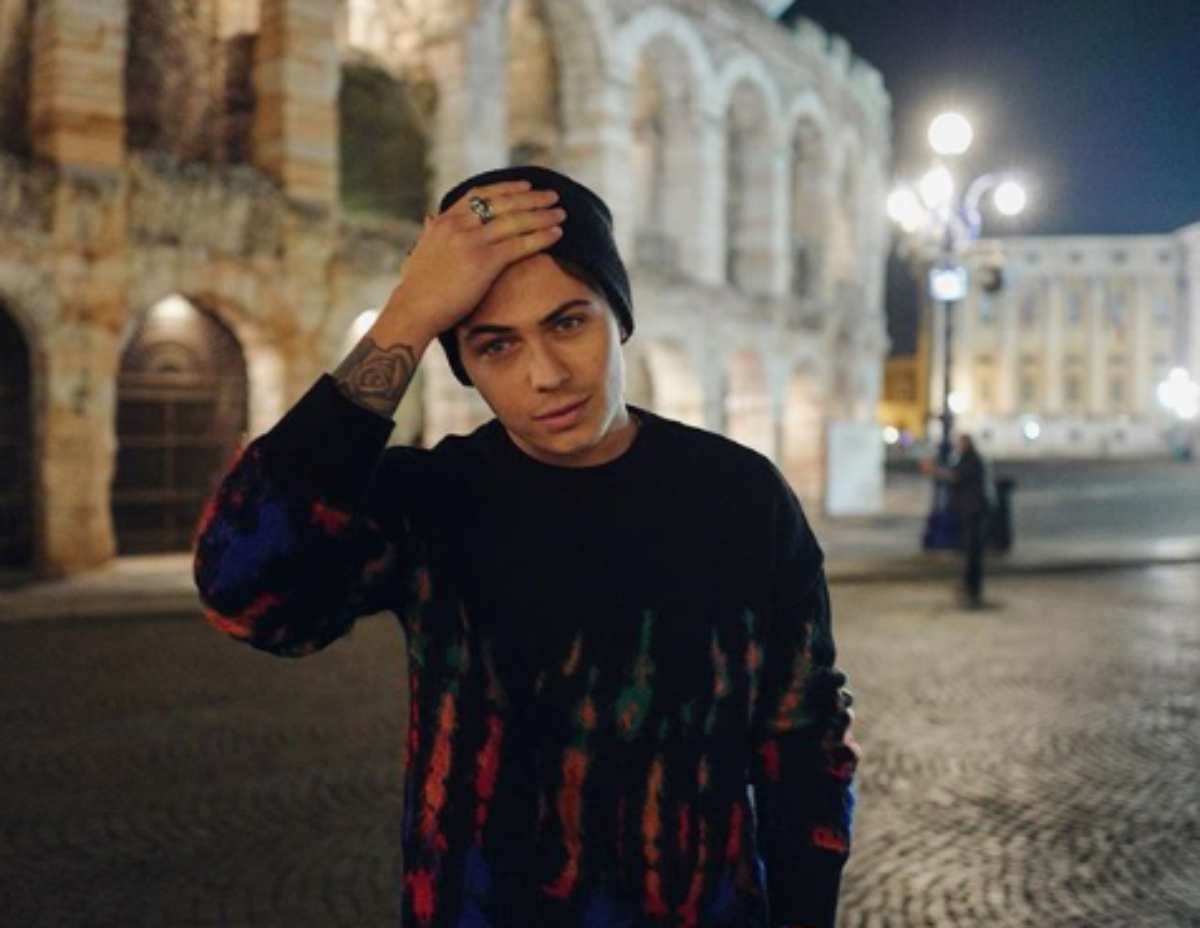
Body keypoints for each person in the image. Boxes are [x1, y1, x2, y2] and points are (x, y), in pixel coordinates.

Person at [193, 165, 859, 928]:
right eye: (496, 346)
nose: (545, 376)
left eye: (568, 323)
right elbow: (242, 591)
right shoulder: (431, 500)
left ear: (619, 317)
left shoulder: (739, 494)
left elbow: (805, 737)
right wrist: (407, 317)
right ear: (464, 364)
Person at [923, 433, 994, 607]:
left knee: (972, 553)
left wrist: (934, 470)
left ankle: (972, 590)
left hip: (973, 513)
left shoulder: (972, 460)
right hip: (970, 512)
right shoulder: (968, 459)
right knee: (969, 552)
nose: (957, 447)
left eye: (960, 444)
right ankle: (969, 589)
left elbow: (955, 476)